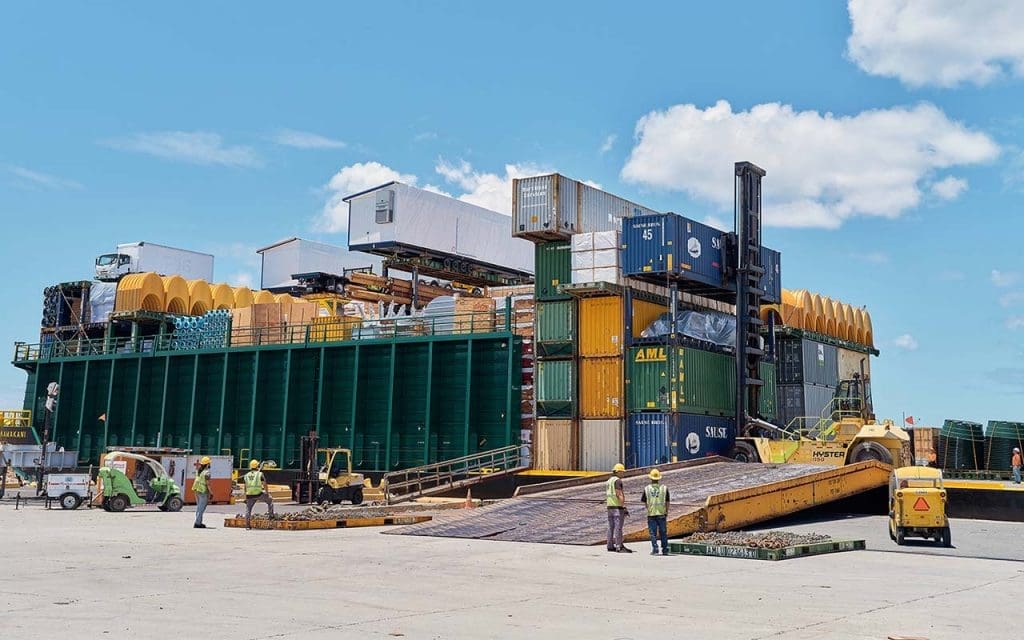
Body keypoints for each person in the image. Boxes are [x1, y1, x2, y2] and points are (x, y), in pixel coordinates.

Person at [641, 468, 670, 556]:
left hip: (651, 514)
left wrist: (649, 509)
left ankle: (655, 549)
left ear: (651, 478)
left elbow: (644, 501)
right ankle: (665, 550)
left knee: (653, 533)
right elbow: (667, 501)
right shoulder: (664, 488)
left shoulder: (647, 489)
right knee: (663, 532)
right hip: (661, 513)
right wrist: (666, 511)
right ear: (659, 479)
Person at [606, 463, 632, 553]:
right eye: (622, 472)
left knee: (610, 527)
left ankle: (609, 545)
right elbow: (619, 494)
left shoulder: (609, 481)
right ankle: (619, 546)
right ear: (618, 472)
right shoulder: (618, 481)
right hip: (617, 507)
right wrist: (623, 507)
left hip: (609, 506)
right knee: (618, 527)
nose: (623, 474)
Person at [244, 459, 275, 529]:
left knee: (248, 509)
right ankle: (271, 516)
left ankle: (247, 525)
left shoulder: (246, 475)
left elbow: (245, 487)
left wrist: (245, 497)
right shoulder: (260, 474)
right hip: (258, 494)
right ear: (257, 466)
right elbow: (264, 484)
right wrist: (267, 493)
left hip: (249, 495)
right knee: (270, 501)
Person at [192, 456, 212, 529]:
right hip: (203, 491)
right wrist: (211, 492)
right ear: (207, 464)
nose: (210, 464)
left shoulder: (199, 471)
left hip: (196, 490)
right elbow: (208, 484)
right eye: (209, 463)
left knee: (199, 507)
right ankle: (197, 523)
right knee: (201, 508)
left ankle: (198, 522)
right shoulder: (207, 473)